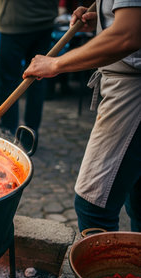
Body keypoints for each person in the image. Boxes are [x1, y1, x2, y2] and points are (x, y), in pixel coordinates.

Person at [23, 1, 141, 232]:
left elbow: (129, 34)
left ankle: (102, 269)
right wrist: (105, 18)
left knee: (93, 205)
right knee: (137, 198)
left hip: (132, 91)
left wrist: (56, 63)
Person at [0, 0, 59, 135]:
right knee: (37, 80)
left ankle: (9, 133)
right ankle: (30, 133)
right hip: (44, 20)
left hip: (15, 23)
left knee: (9, 82)